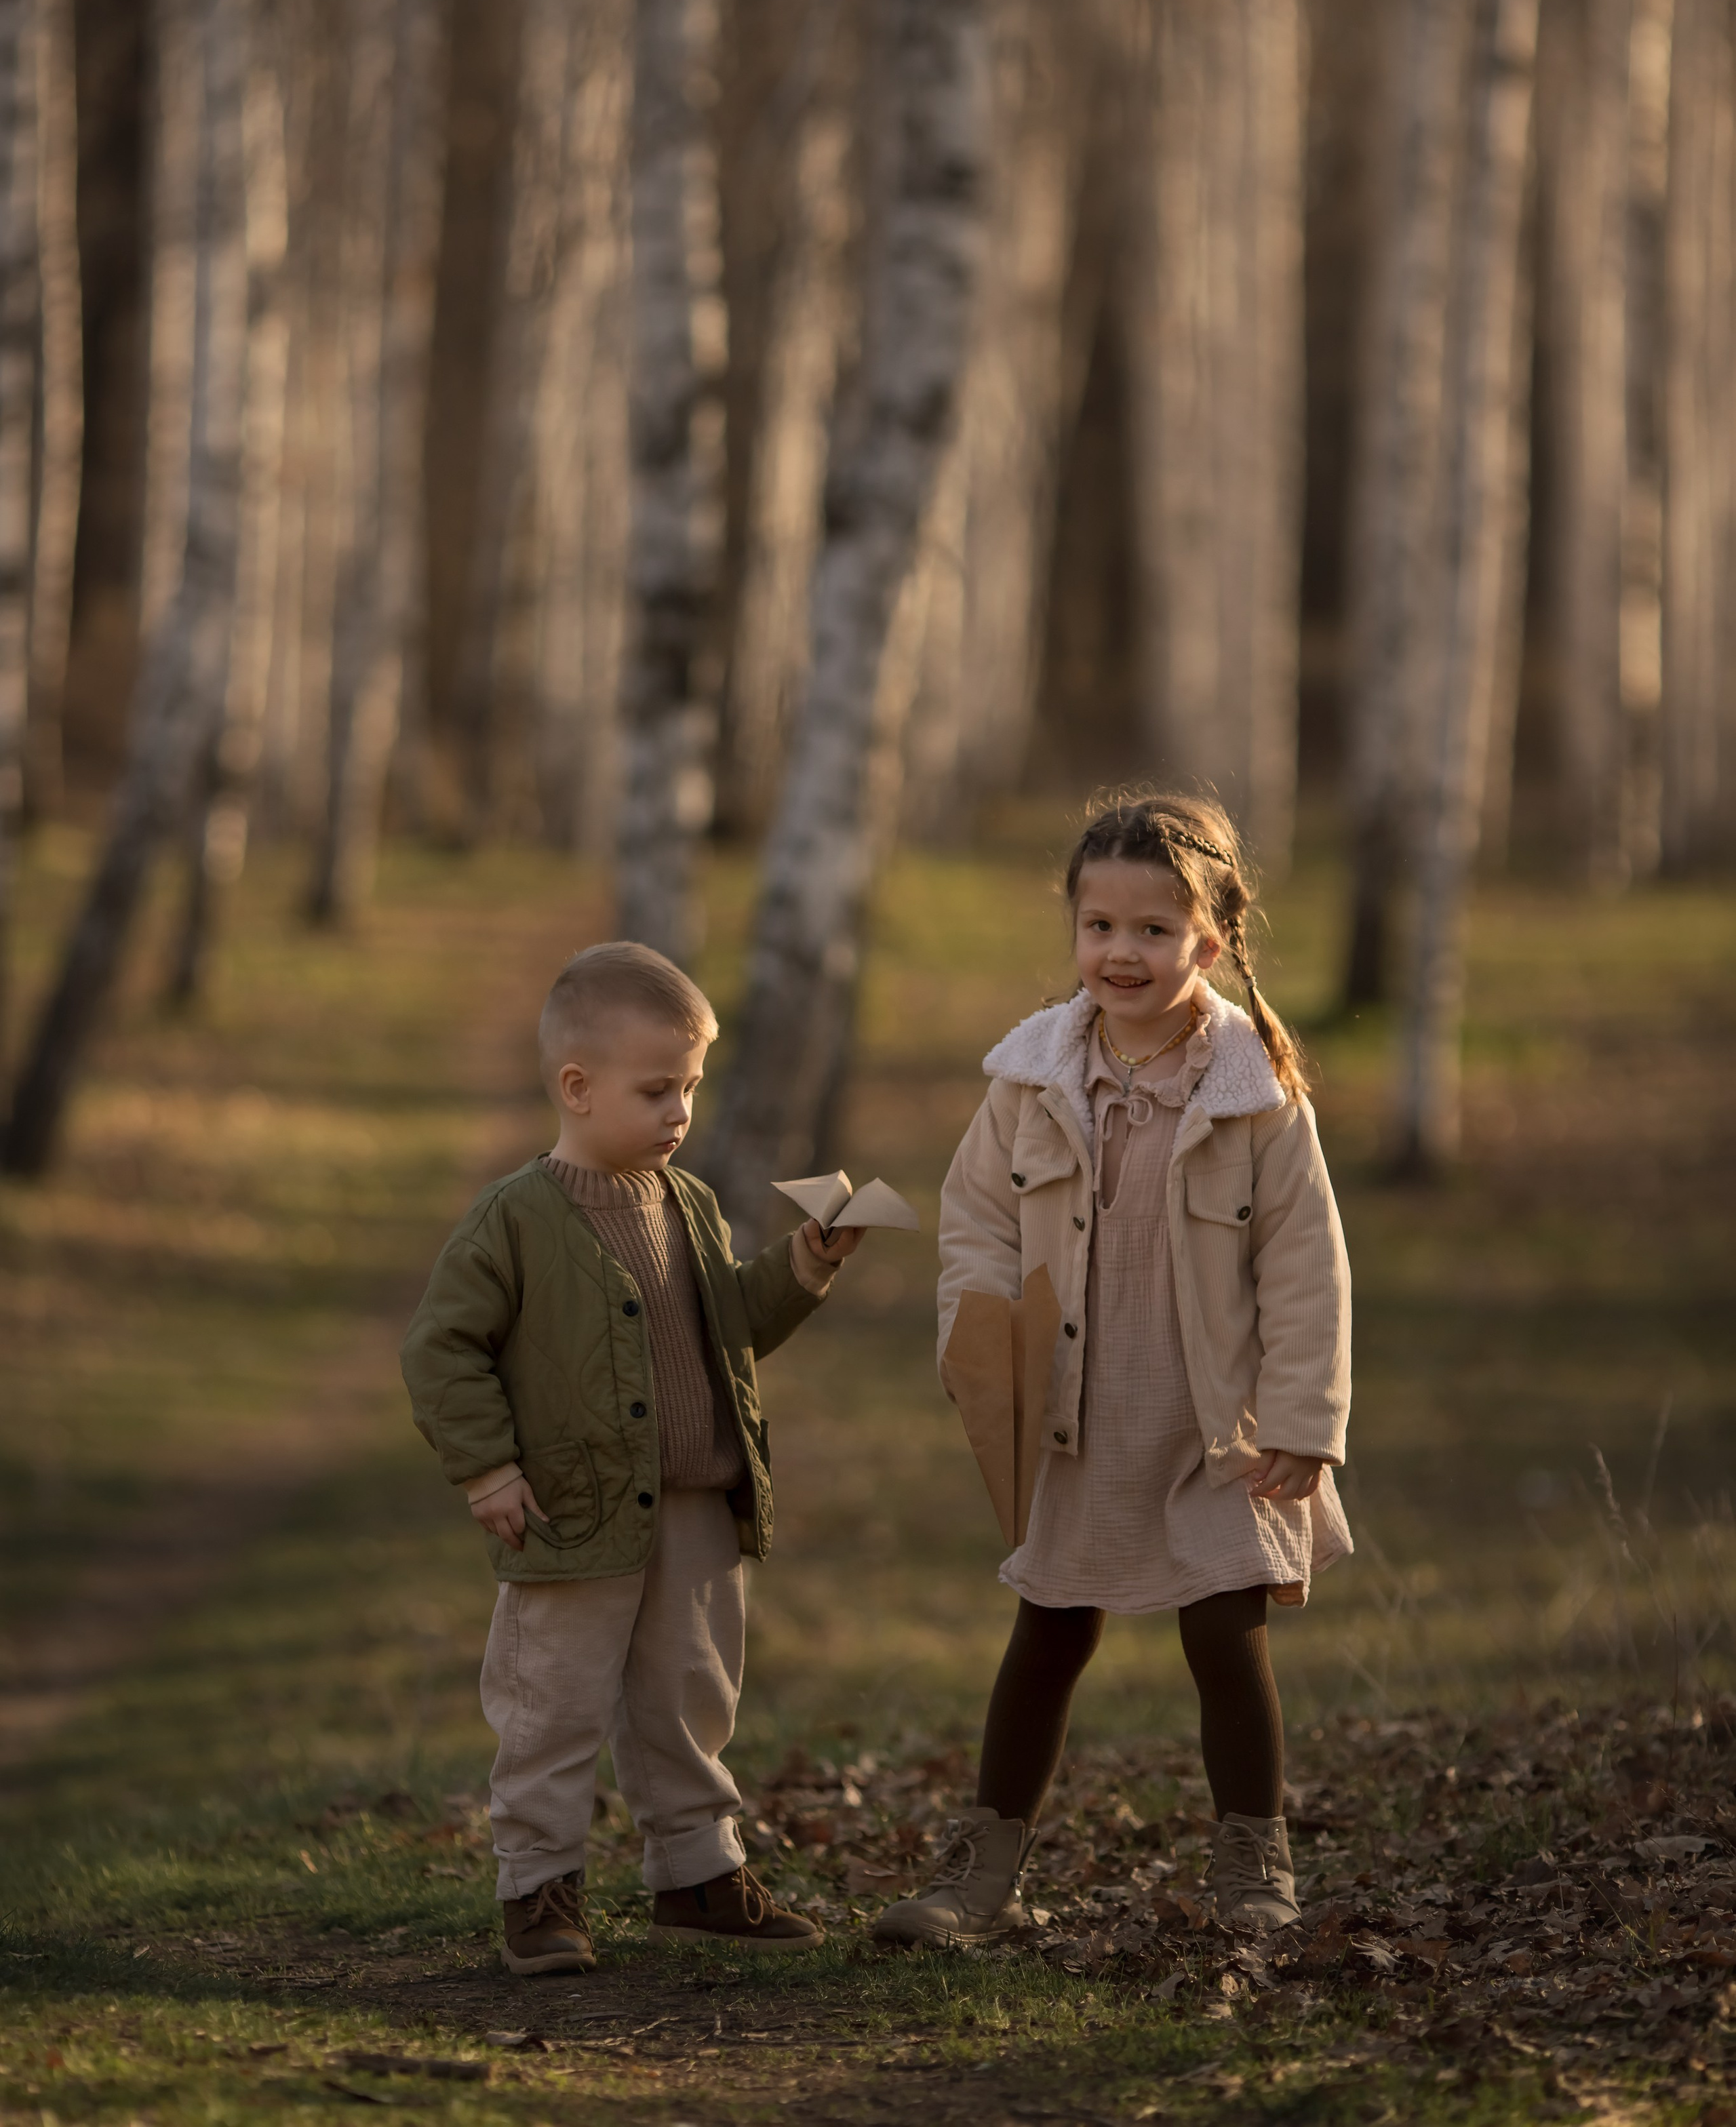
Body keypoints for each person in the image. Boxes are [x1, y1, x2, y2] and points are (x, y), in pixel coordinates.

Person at [875, 791, 1352, 1945]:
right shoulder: (1031, 1080)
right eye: (1100, 927)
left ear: (1212, 940)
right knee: (1049, 1632)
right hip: (1076, 1418)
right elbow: (976, 1224)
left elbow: (1306, 1265)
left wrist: (1304, 1417)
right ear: (1074, 930)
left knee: (1224, 1635)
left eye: (1153, 929)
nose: (1121, 953)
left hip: (1216, 1427)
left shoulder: (1254, 1092)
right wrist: (979, 1345)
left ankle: (1254, 1865)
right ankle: (982, 1872)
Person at [401, 940, 863, 1975]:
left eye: (690, 1087)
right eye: (657, 1090)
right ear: (577, 1088)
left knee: (690, 1696)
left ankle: (696, 1875)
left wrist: (804, 1263)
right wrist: (488, 1470)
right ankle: (539, 1890)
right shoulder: (515, 1220)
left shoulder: (688, 1203)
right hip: (572, 1509)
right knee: (552, 1702)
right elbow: (439, 1350)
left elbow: (727, 1326)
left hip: (695, 1503)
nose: (680, 1112)